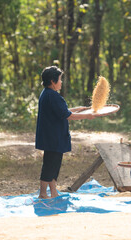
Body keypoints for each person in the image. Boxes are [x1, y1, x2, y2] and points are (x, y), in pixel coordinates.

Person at [35, 66, 97, 199]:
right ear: (53, 81)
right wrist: (86, 116)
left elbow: (63, 111)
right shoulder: (53, 96)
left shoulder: (46, 93)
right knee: (50, 165)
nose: (61, 82)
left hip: (51, 137)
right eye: (60, 79)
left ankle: (53, 192)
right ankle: (42, 193)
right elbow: (67, 115)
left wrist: (78, 109)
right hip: (53, 138)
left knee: (54, 165)